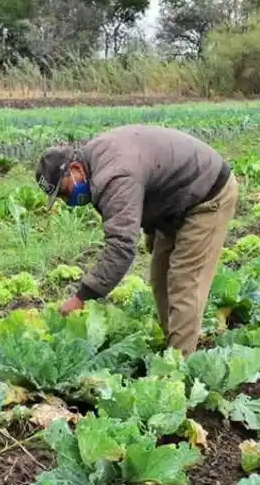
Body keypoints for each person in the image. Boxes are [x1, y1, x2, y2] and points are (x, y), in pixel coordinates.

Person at [34, 124, 239, 356]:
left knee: (184, 282)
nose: (66, 200)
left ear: (74, 168)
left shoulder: (112, 175)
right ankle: (174, 346)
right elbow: (150, 183)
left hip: (207, 196)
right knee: (160, 278)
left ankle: (179, 367)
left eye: (63, 192)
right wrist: (151, 231)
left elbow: (120, 247)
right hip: (175, 202)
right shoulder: (95, 161)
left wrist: (83, 296)